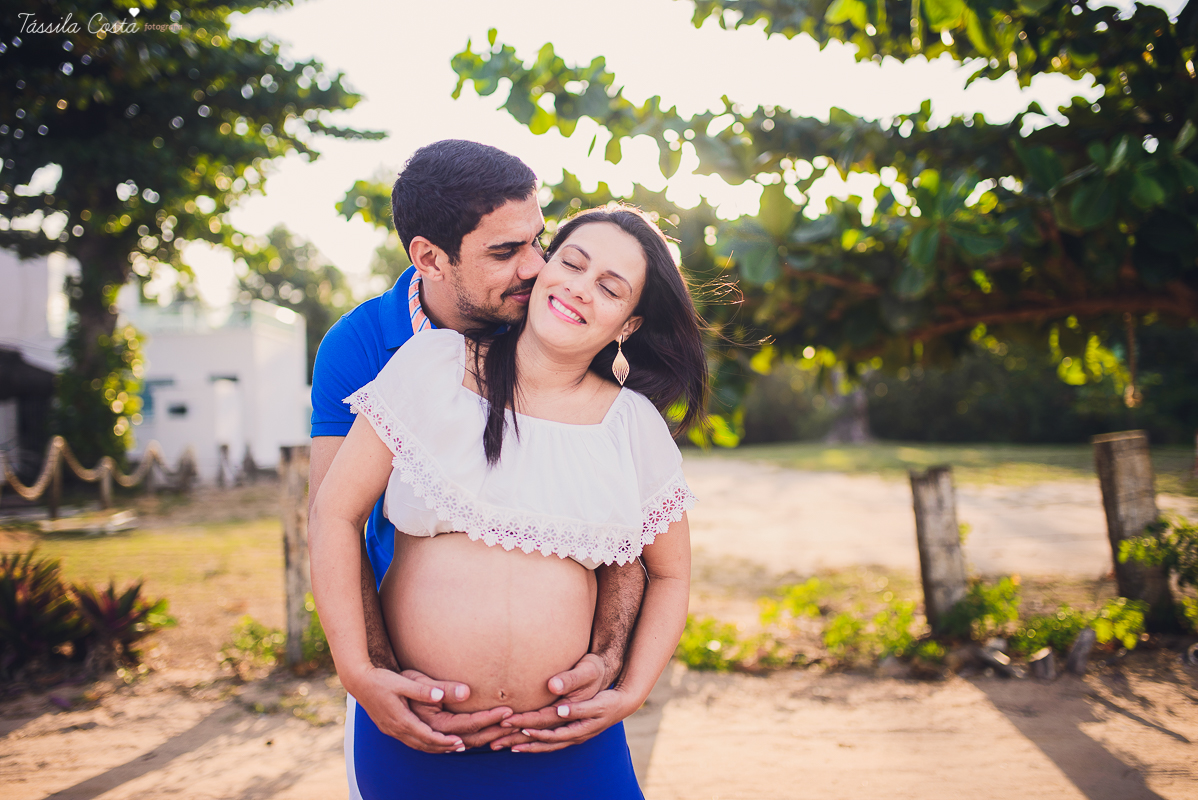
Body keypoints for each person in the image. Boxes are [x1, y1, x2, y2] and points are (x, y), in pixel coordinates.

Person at [311, 204, 707, 797]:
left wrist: (631, 690)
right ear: (543, 268)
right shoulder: (431, 367)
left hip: (569, 740)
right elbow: (334, 514)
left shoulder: (633, 427)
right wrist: (360, 671)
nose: (579, 288)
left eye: (610, 287)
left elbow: (670, 574)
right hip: (419, 730)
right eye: (571, 263)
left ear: (628, 324)